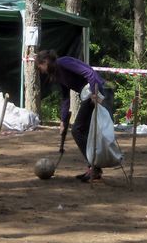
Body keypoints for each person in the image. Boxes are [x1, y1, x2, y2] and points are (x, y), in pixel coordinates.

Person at [35, 49, 107, 182]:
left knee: (77, 130)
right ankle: (93, 167)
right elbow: (65, 98)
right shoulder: (57, 74)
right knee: (83, 131)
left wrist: (94, 91)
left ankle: (95, 166)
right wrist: (63, 121)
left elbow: (90, 73)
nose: (42, 71)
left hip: (94, 92)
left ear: (45, 62)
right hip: (87, 94)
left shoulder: (63, 62)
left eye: (40, 67)